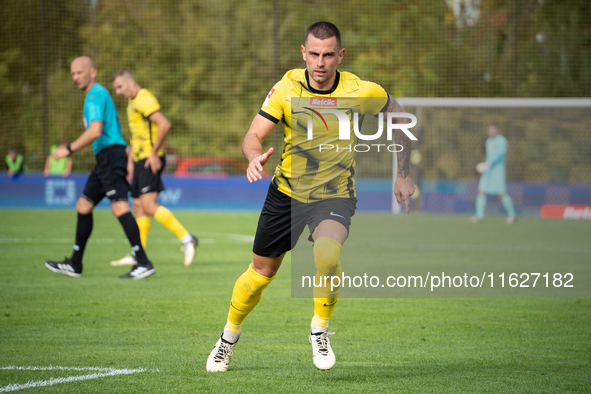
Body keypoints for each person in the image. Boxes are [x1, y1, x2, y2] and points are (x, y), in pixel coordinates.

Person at [206, 22, 415, 372]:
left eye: (328, 54)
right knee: (260, 273)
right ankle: (228, 337)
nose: (320, 62)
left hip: (334, 195)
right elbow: (254, 134)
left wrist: (404, 173)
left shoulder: (358, 89)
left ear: (340, 55)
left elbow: (400, 116)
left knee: (327, 254)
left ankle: (319, 329)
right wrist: (253, 154)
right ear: (303, 53)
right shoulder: (286, 87)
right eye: (314, 54)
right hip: (286, 193)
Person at [45, 56, 155, 280]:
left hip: (111, 157)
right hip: (106, 158)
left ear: (92, 72)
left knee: (120, 208)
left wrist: (69, 148)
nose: (75, 77)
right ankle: (75, 264)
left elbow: (95, 131)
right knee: (83, 205)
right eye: (72, 73)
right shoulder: (95, 95)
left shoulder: (95, 94)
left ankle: (143, 262)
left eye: (79, 72)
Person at [110, 69, 198, 267]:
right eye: (115, 88)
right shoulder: (132, 103)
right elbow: (138, 136)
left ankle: (187, 239)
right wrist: (131, 162)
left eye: (120, 86)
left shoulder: (143, 98)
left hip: (151, 160)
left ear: (131, 82)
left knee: (149, 206)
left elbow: (164, 124)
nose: (117, 91)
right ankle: (138, 254)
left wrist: (153, 152)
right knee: (139, 208)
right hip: (140, 160)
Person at [470, 123, 516, 224]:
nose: (491, 131)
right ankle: (479, 216)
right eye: (490, 130)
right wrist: (486, 164)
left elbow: (500, 155)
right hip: (488, 170)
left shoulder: (502, 141)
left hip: (498, 171)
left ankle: (512, 215)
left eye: (493, 129)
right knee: (481, 190)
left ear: (497, 130)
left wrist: (489, 163)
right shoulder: (488, 141)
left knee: (501, 194)